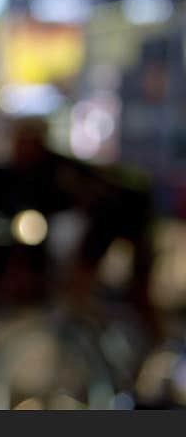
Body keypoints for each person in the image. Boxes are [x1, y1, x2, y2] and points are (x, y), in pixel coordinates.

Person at [8, 118, 160, 340]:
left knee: (134, 291)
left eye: (23, 140)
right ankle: (99, 334)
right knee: (83, 284)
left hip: (121, 215)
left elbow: (97, 209)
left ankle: (155, 346)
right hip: (111, 217)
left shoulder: (55, 171)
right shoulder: (37, 172)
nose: (17, 147)